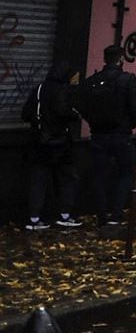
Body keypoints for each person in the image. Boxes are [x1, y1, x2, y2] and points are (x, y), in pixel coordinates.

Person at [81, 44, 136, 225]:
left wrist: (93, 123)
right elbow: (135, 107)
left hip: (98, 135)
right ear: (121, 59)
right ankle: (116, 213)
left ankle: (102, 215)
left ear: (105, 59)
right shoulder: (127, 80)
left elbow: (82, 105)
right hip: (121, 134)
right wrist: (129, 124)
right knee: (126, 172)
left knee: (99, 175)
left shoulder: (92, 80)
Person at [25, 63, 84, 230]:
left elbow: (25, 113)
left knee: (38, 180)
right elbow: (63, 111)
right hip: (60, 142)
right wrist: (75, 115)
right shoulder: (62, 90)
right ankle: (64, 214)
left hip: (39, 142)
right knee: (67, 178)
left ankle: (34, 218)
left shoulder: (39, 89)